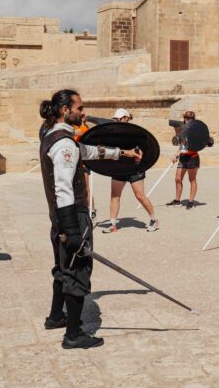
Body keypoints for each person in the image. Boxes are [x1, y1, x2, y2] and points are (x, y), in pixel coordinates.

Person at [39, 89, 142, 350]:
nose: (83, 113)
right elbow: (63, 188)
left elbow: (90, 152)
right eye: (79, 108)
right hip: (72, 216)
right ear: (65, 110)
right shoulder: (64, 143)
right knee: (77, 271)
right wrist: (73, 231)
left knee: (63, 267)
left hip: (59, 217)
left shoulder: (55, 136)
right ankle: (73, 335)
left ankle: (55, 317)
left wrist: (123, 153)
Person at [103, 108, 158, 234]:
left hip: (135, 168)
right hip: (119, 168)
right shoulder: (112, 133)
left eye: (119, 118)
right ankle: (112, 224)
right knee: (115, 196)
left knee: (140, 196)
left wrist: (142, 155)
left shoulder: (136, 132)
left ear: (126, 118)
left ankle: (154, 220)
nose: (117, 121)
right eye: (115, 119)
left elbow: (146, 146)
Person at [169, 111, 201, 209]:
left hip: (192, 157)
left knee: (192, 180)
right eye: (187, 117)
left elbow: (197, 144)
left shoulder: (196, 130)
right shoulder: (182, 129)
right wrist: (176, 154)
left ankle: (191, 201)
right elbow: (182, 144)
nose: (188, 119)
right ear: (184, 118)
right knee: (177, 179)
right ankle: (177, 200)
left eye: (190, 118)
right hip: (183, 157)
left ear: (193, 119)